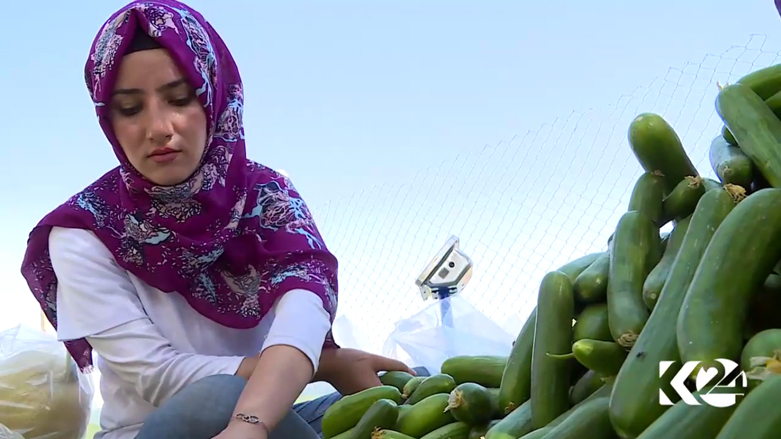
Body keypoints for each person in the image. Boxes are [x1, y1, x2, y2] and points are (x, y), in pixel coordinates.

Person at [19, 1, 422, 438]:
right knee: (219, 397)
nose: (158, 127)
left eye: (179, 98)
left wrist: (260, 411)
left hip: (269, 414)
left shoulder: (269, 199)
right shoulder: (85, 231)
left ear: (214, 97)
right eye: (130, 109)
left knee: (418, 390)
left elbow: (305, 307)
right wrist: (321, 367)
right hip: (152, 428)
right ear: (108, 119)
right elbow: (158, 375)